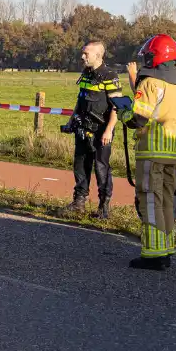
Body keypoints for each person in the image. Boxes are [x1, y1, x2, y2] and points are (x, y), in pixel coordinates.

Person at [118, 34, 176, 271]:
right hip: (172, 149)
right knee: (168, 200)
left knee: (150, 199)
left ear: (157, 56)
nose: (146, 61)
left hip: (151, 149)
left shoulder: (151, 82)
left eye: (149, 56)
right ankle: (167, 248)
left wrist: (123, 112)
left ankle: (153, 254)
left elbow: (138, 119)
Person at [65, 41, 124, 218]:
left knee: (101, 168)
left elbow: (116, 106)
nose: (82, 57)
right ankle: (79, 203)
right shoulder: (86, 74)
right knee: (81, 166)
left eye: (86, 54)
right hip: (82, 128)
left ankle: (103, 208)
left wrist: (109, 130)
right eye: (82, 53)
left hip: (101, 131)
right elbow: (80, 100)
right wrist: (71, 120)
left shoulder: (109, 76)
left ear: (98, 55)